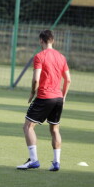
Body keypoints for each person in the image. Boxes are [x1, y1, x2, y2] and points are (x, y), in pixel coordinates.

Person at [17, 30, 71, 171]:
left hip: (44, 96)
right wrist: (63, 97)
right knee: (54, 129)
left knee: (28, 127)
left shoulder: (39, 56)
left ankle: (34, 160)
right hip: (58, 98)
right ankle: (56, 163)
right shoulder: (61, 57)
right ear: (52, 40)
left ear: (41, 40)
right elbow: (68, 79)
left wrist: (31, 93)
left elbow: (36, 79)